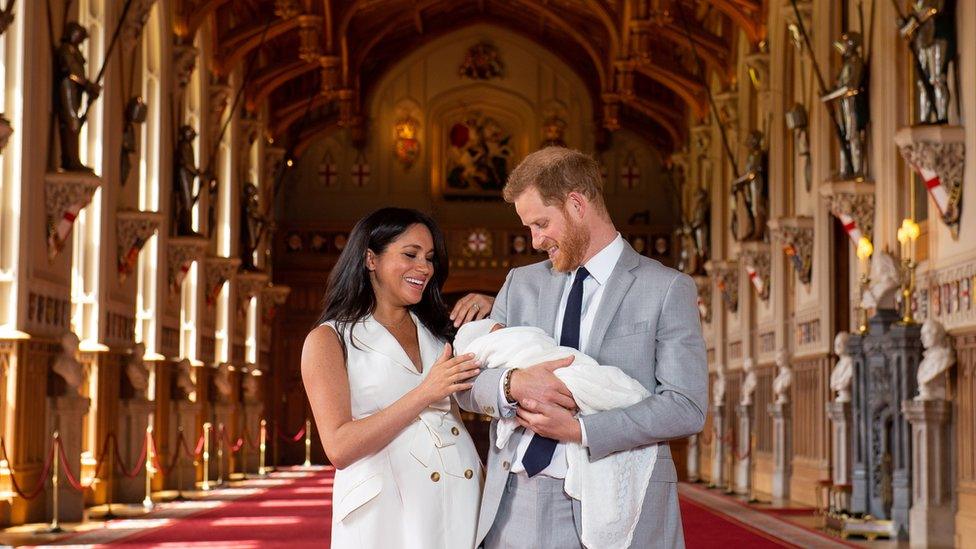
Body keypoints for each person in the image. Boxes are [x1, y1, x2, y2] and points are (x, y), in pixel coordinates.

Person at [456, 147, 708, 548]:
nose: (536, 241)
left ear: (576, 204)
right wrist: (512, 385)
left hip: (616, 501)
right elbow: (468, 385)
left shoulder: (666, 289)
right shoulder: (520, 284)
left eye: (541, 223)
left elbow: (686, 407)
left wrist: (580, 430)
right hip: (514, 501)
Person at [301, 208, 483, 548]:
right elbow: (339, 447)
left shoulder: (439, 331)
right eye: (410, 255)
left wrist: (495, 309)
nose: (424, 268)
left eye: (429, 258)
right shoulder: (329, 339)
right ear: (372, 259)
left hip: (460, 498)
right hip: (387, 515)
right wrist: (424, 392)